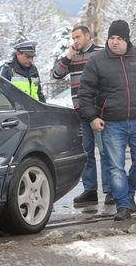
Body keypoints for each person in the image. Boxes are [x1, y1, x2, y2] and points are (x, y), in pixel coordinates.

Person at [78, 20, 136, 221]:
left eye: (119, 38)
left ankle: (128, 191)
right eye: (111, 38)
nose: (114, 42)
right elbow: (85, 92)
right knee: (115, 167)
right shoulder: (97, 61)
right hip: (111, 123)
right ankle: (123, 205)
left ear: (127, 39)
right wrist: (92, 117)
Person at [51, 25, 113, 205]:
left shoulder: (102, 52)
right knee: (86, 153)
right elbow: (56, 74)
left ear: (87, 35)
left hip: (100, 111)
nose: (75, 41)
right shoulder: (72, 56)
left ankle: (110, 190)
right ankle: (90, 190)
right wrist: (69, 54)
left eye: (77, 37)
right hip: (80, 111)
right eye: (73, 38)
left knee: (105, 151)